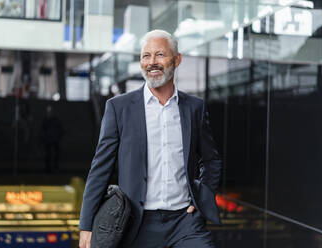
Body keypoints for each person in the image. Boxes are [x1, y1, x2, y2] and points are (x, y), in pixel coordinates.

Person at [79, 30, 222, 248]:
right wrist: (86, 226)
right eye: (146, 56)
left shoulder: (194, 108)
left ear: (177, 59)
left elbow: (211, 161)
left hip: (185, 223)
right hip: (137, 225)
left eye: (160, 55)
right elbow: (100, 169)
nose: (152, 62)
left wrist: (202, 198)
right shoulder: (119, 108)